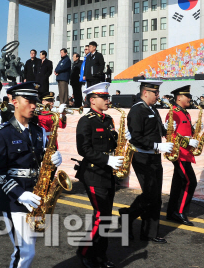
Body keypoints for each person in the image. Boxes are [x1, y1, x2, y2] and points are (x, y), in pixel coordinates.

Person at [0, 82, 62, 268]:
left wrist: (53, 163)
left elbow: (42, 166)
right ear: (14, 101)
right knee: (25, 251)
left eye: (35, 101)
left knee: (30, 248)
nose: (33, 105)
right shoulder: (1, 133)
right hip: (15, 199)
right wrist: (20, 194)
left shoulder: (39, 131)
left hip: (37, 195)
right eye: (28, 101)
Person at [119, 80, 173, 243]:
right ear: (145, 93)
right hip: (142, 157)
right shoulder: (137, 111)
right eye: (155, 93)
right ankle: (127, 217)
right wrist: (158, 145)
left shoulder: (152, 109)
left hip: (154, 156)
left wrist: (167, 128)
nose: (158, 95)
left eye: (158, 93)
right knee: (150, 194)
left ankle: (149, 232)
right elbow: (136, 138)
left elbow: (157, 130)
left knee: (155, 196)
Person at [75, 82, 121, 268]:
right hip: (93, 173)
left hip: (107, 173)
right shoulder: (86, 121)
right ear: (93, 100)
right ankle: (85, 252)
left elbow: (111, 143)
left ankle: (100, 254)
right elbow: (83, 149)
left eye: (107, 97)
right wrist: (106, 160)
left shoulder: (108, 119)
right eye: (104, 97)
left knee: (106, 216)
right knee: (101, 215)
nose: (108, 100)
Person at [166, 85, 200, 226]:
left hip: (186, 153)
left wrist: (196, 128)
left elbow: (185, 130)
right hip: (179, 153)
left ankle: (171, 211)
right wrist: (187, 140)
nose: (190, 99)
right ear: (179, 98)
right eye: (188, 96)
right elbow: (171, 135)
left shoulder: (185, 112)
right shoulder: (173, 112)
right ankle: (180, 212)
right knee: (190, 182)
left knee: (178, 183)